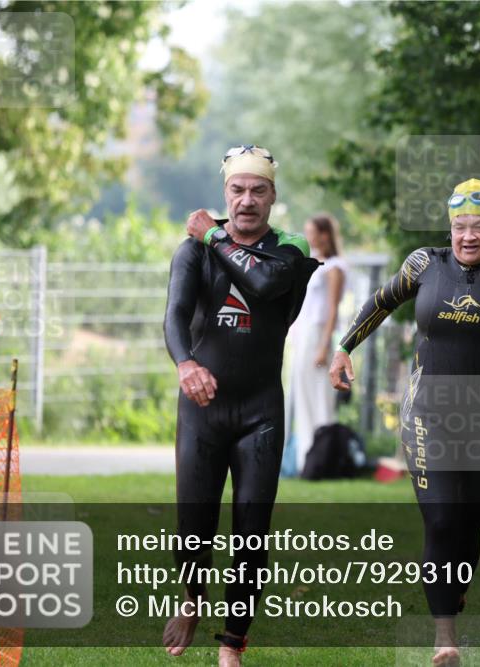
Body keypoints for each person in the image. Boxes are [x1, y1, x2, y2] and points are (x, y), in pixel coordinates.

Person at [329, 178, 480, 666]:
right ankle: (446, 638)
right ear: (449, 226)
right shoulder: (425, 264)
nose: (467, 236)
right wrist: (343, 348)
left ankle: (453, 590)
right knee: (440, 520)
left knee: (467, 527)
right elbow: (381, 301)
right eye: (460, 226)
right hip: (428, 415)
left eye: (478, 226)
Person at [162, 144, 319, 667]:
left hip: (260, 413)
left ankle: (232, 644)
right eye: (237, 189)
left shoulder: (290, 248)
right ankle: (191, 598)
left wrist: (213, 232)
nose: (247, 200)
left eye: (258, 190)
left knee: (252, 531)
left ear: (273, 196)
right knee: (194, 525)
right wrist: (185, 363)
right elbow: (175, 317)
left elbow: (265, 282)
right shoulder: (192, 252)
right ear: (225, 192)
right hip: (202, 410)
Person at [282, 213, 347, 476]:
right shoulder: (311, 262)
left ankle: (320, 457)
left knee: (318, 397)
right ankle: (303, 458)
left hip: (317, 335)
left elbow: (332, 308)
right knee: (300, 395)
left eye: (312, 231)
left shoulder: (334, 267)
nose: (308, 236)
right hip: (303, 335)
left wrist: (324, 345)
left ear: (324, 234)